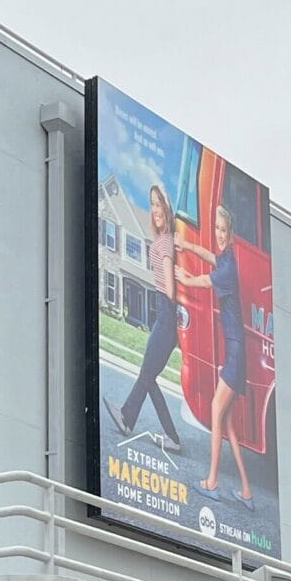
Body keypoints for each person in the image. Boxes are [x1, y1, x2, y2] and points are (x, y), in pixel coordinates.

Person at [183, 200, 252, 507]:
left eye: (224, 230)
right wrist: (186, 244)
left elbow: (201, 281)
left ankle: (211, 482)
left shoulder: (227, 270)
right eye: (216, 229)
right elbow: (208, 255)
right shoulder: (226, 259)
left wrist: (182, 278)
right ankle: (247, 491)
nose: (219, 234)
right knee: (229, 425)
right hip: (237, 353)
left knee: (215, 410)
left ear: (231, 233)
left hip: (236, 355)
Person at [106, 186, 185, 454]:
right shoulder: (167, 238)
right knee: (147, 374)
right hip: (165, 317)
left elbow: (171, 289)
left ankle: (171, 437)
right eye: (152, 204)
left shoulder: (164, 242)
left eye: (159, 204)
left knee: (148, 376)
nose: (155, 210)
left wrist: (170, 312)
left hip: (166, 315)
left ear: (167, 207)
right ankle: (127, 418)